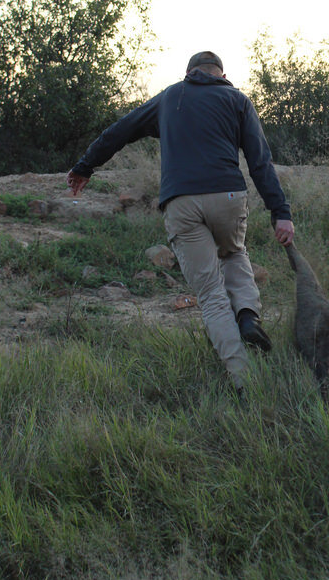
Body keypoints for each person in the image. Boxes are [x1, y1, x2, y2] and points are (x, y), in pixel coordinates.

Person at [67, 51, 294, 392]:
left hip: (181, 201)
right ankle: (248, 316)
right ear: (221, 74)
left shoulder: (171, 96)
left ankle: (244, 380)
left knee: (211, 294)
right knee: (234, 254)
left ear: (189, 73)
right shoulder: (237, 100)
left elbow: (120, 131)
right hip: (229, 196)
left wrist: (85, 166)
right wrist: (281, 213)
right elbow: (260, 163)